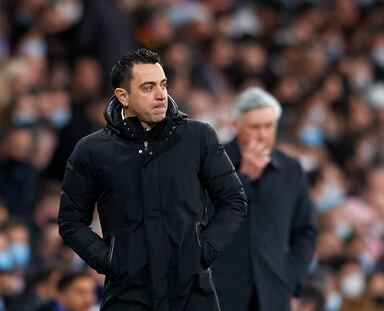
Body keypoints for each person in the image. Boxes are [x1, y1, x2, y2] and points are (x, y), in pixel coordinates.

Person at [57, 48, 247, 311]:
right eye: (148, 87)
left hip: (192, 292)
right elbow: (71, 222)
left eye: (163, 84)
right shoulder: (92, 150)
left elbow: (233, 201)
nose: (161, 95)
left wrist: (201, 252)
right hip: (127, 295)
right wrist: (111, 261)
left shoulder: (198, 137)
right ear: (122, 96)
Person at [213, 87, 317, 311]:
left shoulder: (291, 170)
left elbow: (305, 231)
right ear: (236, 126)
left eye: (269, 126)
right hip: (221, 294)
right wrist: (244, 178)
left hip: (274, 294)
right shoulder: (212, 162)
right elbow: (206, 216)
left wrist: (292, 279)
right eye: (254, 127)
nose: (262, 134)